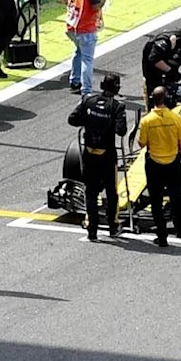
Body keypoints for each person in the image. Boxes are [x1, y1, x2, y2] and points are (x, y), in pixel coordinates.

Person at [69, 72, 128, 239]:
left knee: (91, 193)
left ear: (102, 85)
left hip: (89, 154)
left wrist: (90, 121)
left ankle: (92, 230)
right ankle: (112, 227)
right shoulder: (117, 106)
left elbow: (72, 119)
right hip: (107, 157)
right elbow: (121, 130)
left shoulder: (88, 100)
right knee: (111, 192)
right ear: (117, 88)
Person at [138, 90, 181, 243]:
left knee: (156, 200)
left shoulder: (146, 120)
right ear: (166, 99)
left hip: (154, 164)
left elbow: (141, 143)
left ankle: (161, 236)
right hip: (173, 163)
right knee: (176, 197)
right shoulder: (175, 118)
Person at [64, 0, 109, 93]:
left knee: (78, 51)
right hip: (85, 28)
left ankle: (74, 81)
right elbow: (96, 7)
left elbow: (65, 0)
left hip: (71, 26)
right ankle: (86, 90)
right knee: (87, 60)